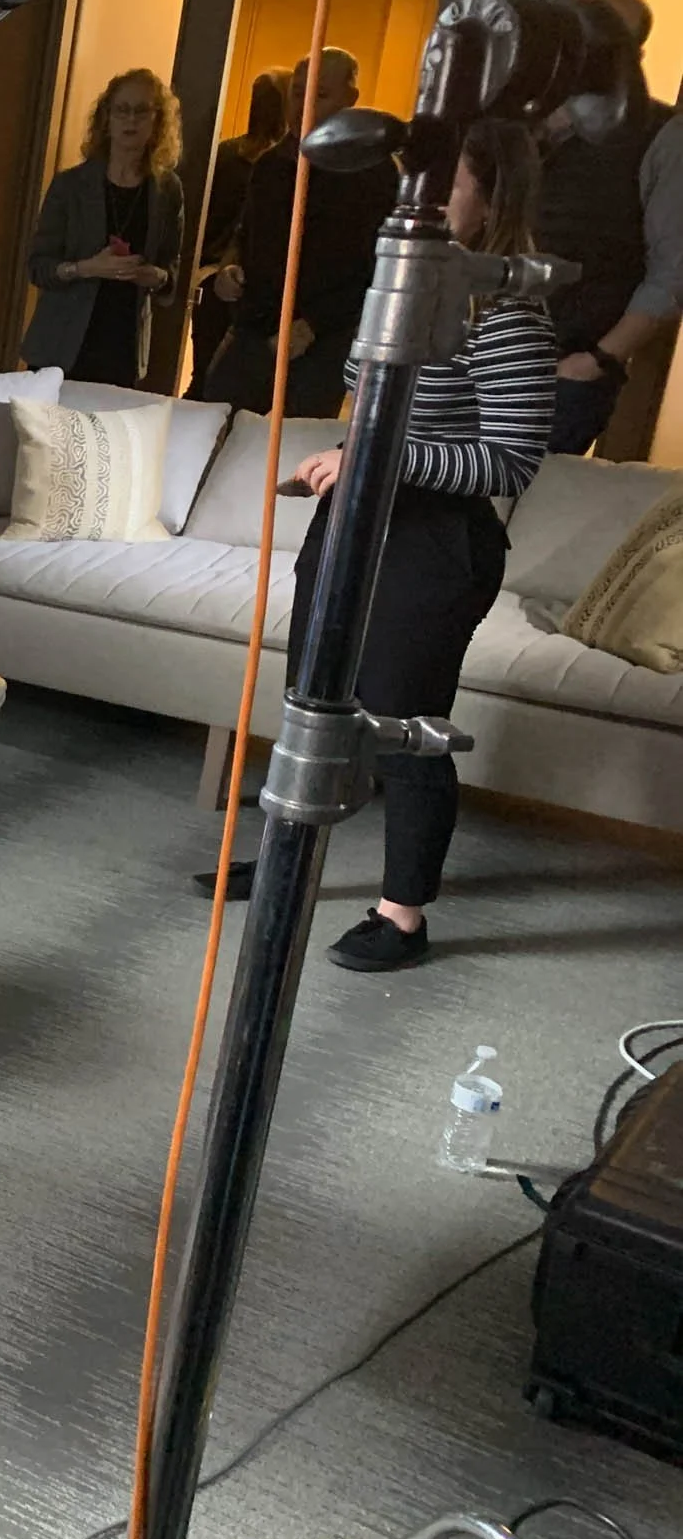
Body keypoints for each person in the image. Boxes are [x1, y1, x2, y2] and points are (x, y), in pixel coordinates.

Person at [204, 121, 554, 971]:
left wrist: (378, 459)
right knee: (311, 701)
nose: (423, 203)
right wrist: (342, 468)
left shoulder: (509, 316)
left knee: (402, 719)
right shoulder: (393, 290)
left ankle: (403, 915)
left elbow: (510, 459)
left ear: (492, 195)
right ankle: (295, 855)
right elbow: (363, 401)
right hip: (359, 521)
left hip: (438, 543)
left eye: (448, 186)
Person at [203, 48, 394, 419]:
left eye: (319, 95)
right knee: (216, 425)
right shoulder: (271, 164)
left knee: (292, 452)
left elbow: (377, 271)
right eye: (297, 92)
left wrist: (316, 323)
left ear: (349, 100)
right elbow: (244, 238)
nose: (302, 105)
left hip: (321, 340)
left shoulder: (374, 172)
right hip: (256, 330)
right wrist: (227, 274)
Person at [536, 0, 680, 454]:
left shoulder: (662, 134)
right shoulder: (518, 119)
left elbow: (672, 271)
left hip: (564, 371)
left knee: (513, 514)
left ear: (630, 56)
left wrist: (597, 359)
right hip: (473, 357)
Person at [21, 68, 186, 387]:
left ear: (158, 121)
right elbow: (38, 268)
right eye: (122, 110)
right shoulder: (71, 185)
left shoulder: (168, 190)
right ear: (106, 118)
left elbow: (172, 274)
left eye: (142, 111)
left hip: (123, 346)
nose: (131, 120)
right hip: (61, 346)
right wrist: (87, 268)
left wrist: (156, 276)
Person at [189, 71, 289, 395]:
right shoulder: (282, 168)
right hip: (258, 289)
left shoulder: (225, 154)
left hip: (211, 278)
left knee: (205, 378)